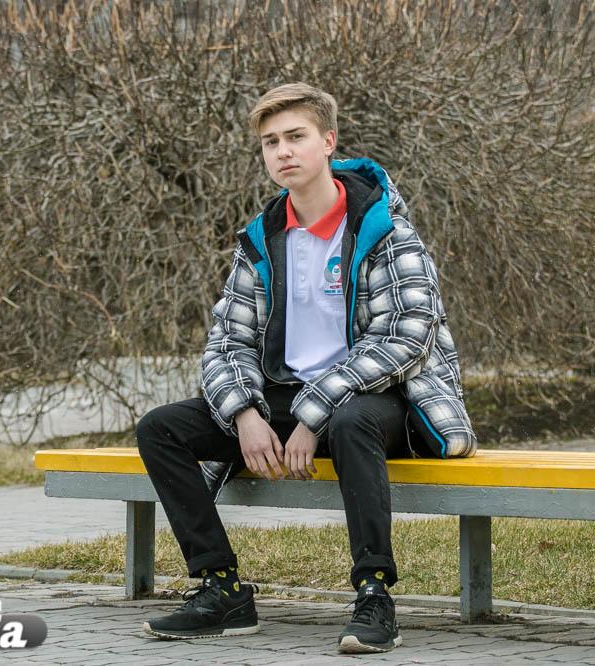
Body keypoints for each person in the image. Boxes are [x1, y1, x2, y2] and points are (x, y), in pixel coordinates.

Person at [135, 82, 476, 654]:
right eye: (271, 142)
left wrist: (314, 414)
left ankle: (374, 595)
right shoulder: (263, 238)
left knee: (351, 421)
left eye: (296, 136)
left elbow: (406, 337)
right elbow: (227, 340)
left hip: (379, 399)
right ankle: (222, 589)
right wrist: (244, 413)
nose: (283, 151)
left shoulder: (384, 230)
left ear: (329, 142)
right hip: (283, 400)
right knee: (161, 427)